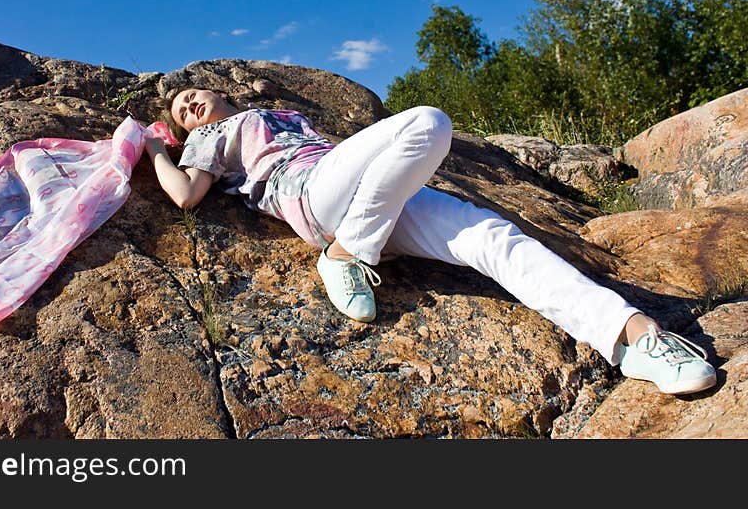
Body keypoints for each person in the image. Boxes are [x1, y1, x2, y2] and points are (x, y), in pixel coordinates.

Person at [144, 86, 718, 396]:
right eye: (182, 112)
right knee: (428, 121)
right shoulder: (214, 137)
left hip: (372, 200)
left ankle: (634, 338)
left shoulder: (279, 112)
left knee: (495, 239)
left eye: (194, 94)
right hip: (313, 195)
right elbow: (185, 195)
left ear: (221, 91)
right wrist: (152, 150)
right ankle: (345, 252)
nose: (191, 105)